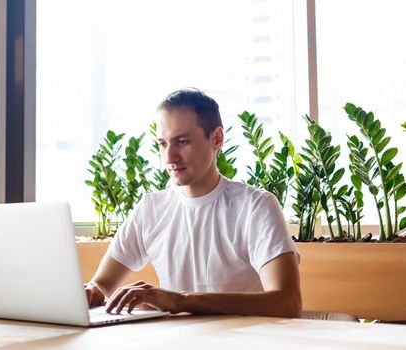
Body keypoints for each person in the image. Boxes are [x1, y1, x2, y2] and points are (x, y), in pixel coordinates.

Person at [85, 88, 301, 317]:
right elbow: (101, 285)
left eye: (182, 142)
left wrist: (182, 300)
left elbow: (288, 303)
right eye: (162, 144)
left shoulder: (256, 207)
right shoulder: (150, 208)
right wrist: (92, 291)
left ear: (216, 139)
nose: (169, 158)